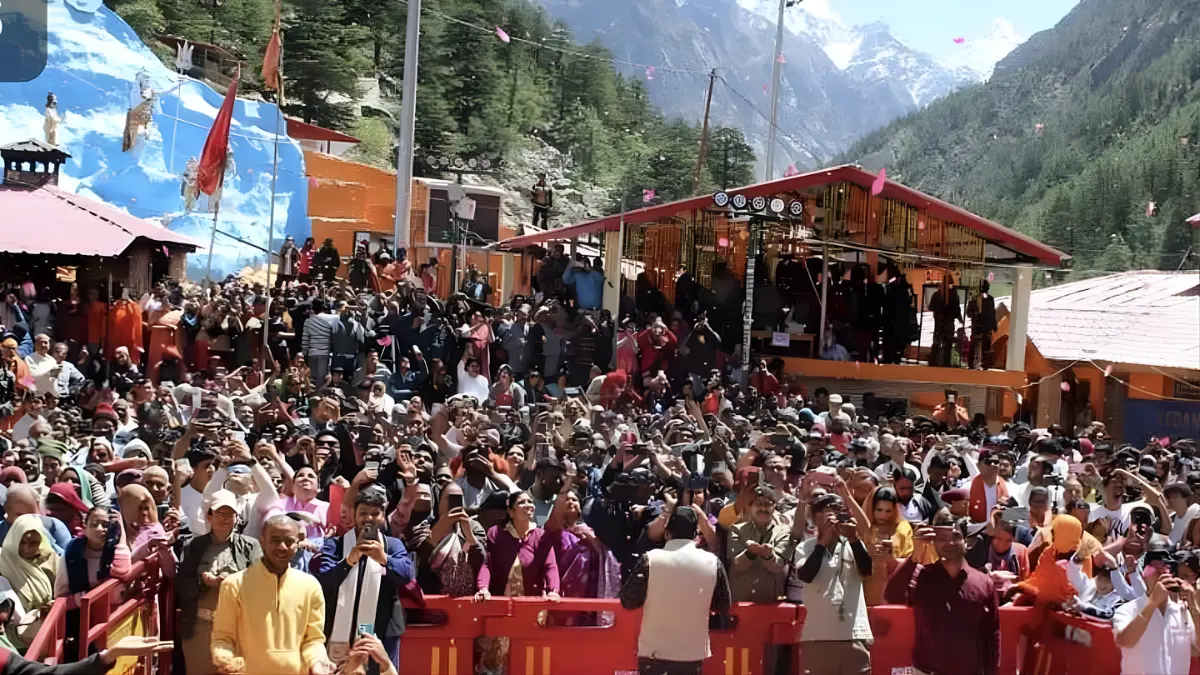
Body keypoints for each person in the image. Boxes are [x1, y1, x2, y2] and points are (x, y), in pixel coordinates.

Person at [210, 514, 334, 675]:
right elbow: (223, 638)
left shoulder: (310, 586)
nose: (282, 547)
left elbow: (313, 640)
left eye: (289, 541)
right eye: (275, 540)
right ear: (262, 542)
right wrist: (227, 660)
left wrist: (318, 664)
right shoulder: (234, 584)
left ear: (298, 544)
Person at [619, 506, 731, 675]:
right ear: (695, 534)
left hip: (653, 652)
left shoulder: (650, 559)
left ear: (667, 533)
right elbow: (723, 604)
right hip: (692, 653)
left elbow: (628, 601)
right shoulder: (712, 562)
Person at [314, 487, 414, 674]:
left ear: (383, 516)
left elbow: (407, 575)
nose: (368, 518)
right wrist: (350, 560)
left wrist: (384, 558)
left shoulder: (392, 545)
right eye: (363, 513)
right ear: (354, 514)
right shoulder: (336, 545)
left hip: (382, 630)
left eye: (375, 513)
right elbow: (324, 579)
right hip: (336, 626)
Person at [885, 515, 1000, 675]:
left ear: (967, 542)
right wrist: (915, 555)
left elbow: (992, 634)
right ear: (933, 543)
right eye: (941, 538)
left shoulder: (983, 582)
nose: (949, 543)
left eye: (956, 536)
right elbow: (892, 595)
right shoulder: (921, 576)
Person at [177, 490, 260, 675]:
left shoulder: (251, 546)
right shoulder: (193, 546)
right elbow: (182, 583)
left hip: (237, 627)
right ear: (209, 516)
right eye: (220, 514)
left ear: (236, 518)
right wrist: (203, 581)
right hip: (201, 626)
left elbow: (260, 582)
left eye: (230, 514)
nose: (225, 519)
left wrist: (235, 582)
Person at [793, 493, 873, 675]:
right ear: (817, 517)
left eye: (840, 511)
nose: (837, 516)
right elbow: (806, 575)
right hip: (817, 637)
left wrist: (853, 538)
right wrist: (823, 543)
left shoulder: (854, 544)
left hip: (854, 635)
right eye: (831, 511)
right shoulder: (805, 547)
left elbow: (867, 571)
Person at [1113, 568, 1200, 674]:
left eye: (1167, 571)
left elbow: (1197, 649)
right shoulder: (1127, 609)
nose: (1163, 575)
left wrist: (1193, 605)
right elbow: (1124, 641)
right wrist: (1153, 603)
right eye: (1157, 571)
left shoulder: (1183, 612)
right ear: (1144, 577)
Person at [0, 514, 60, 649]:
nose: (27, 548)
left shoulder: (47, 561)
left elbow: (62, 591)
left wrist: (51, 606)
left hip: (42, 629)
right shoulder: (2, 562)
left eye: (33, 543)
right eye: (22, 542)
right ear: (14, 539)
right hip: (10, 636)